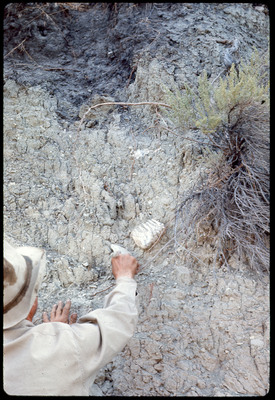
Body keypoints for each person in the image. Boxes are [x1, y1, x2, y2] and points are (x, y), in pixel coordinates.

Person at [3, 240, 139, 396]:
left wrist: (48, 337)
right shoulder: (63, 347)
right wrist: (125, 278)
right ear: (29, 301)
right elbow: (118, 322)